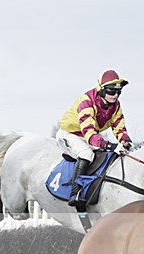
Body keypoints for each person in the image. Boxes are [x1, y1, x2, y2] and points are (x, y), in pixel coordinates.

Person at [57, 70, 133, 208]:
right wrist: (109, 145)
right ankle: (75, 193)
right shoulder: (87, 102)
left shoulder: (115, 106)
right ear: (102, 90)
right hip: (69, 134)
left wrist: (125, 141)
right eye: (111, 91)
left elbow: (119, 127)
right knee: (86, 154)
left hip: (87, 137)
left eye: (118, 92)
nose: (115, 95)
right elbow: (90, 133)